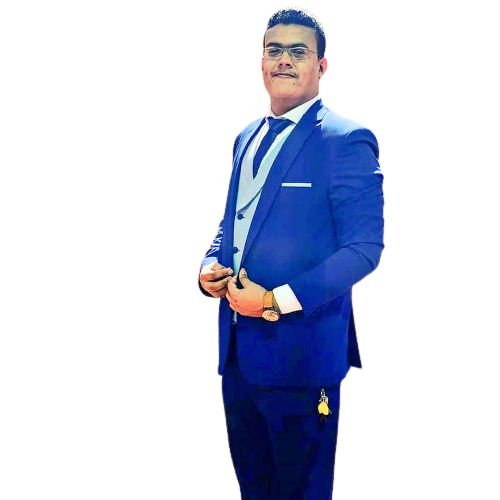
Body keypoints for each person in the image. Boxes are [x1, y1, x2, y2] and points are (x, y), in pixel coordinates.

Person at [198, 6, 384, 499]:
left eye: (297, 52)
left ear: (321, 65)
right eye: (274, 50)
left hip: (301, 357)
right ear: (261, 63)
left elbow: (364, 249)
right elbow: (234, 219)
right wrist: (210, 262)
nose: (284, 60)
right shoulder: (246, 136)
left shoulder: (347, 139)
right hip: (235, 356)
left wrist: (272, 301)